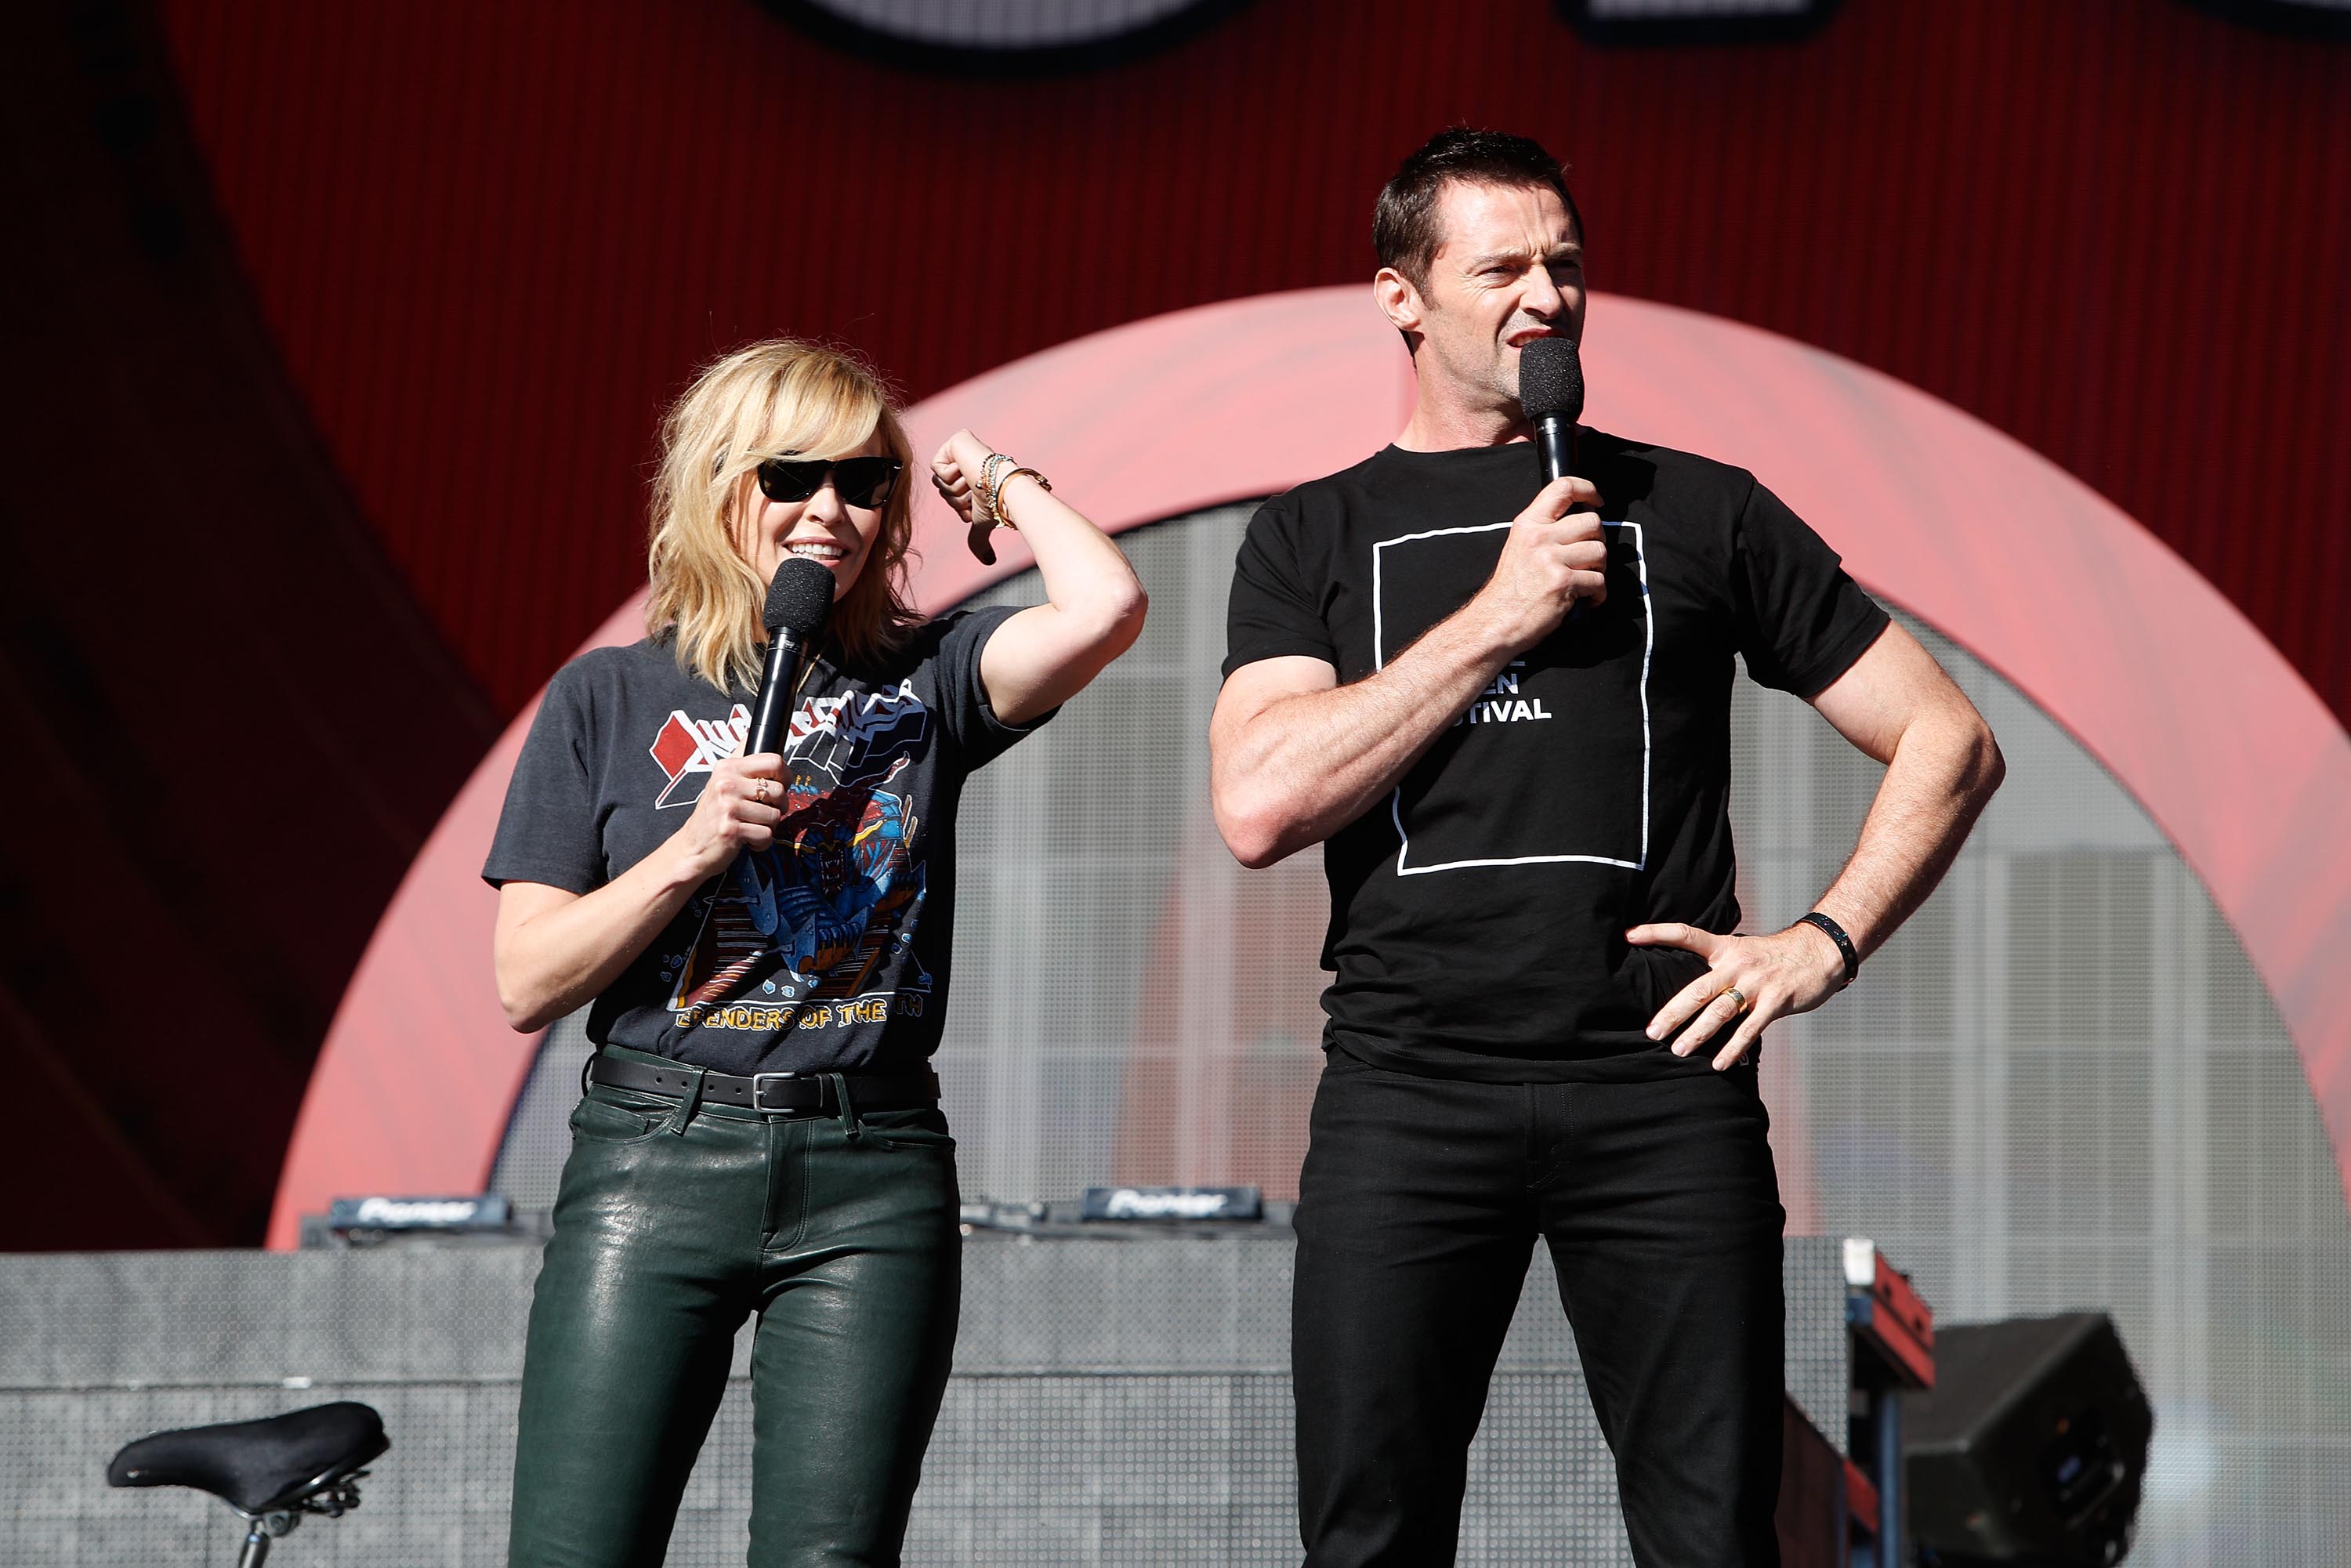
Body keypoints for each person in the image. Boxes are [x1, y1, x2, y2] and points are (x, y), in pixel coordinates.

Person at [1209, 129, 2005, 1566]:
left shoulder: (1696, 508)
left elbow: (1947, 738)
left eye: (1566, 264)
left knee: (1710, 1534)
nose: (1545, 297)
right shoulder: (1313, 533)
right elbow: (1261, 803)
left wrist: (1818, 944)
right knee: (1367, 1531)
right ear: (1400, 296)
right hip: (1408, 1089)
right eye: (1501, 267)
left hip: (1660, 1095)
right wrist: (1498, 618)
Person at [485, 339, 1146, 1566]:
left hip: (871, 1167)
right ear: (718, 485)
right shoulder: (606, 699)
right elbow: (525, 978)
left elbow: (1106, 606)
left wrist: (998, 481)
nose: (828, 513)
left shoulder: (925, 672)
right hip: (655, 1155)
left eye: (863, 482)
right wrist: (686, 853)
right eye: (793, 477)